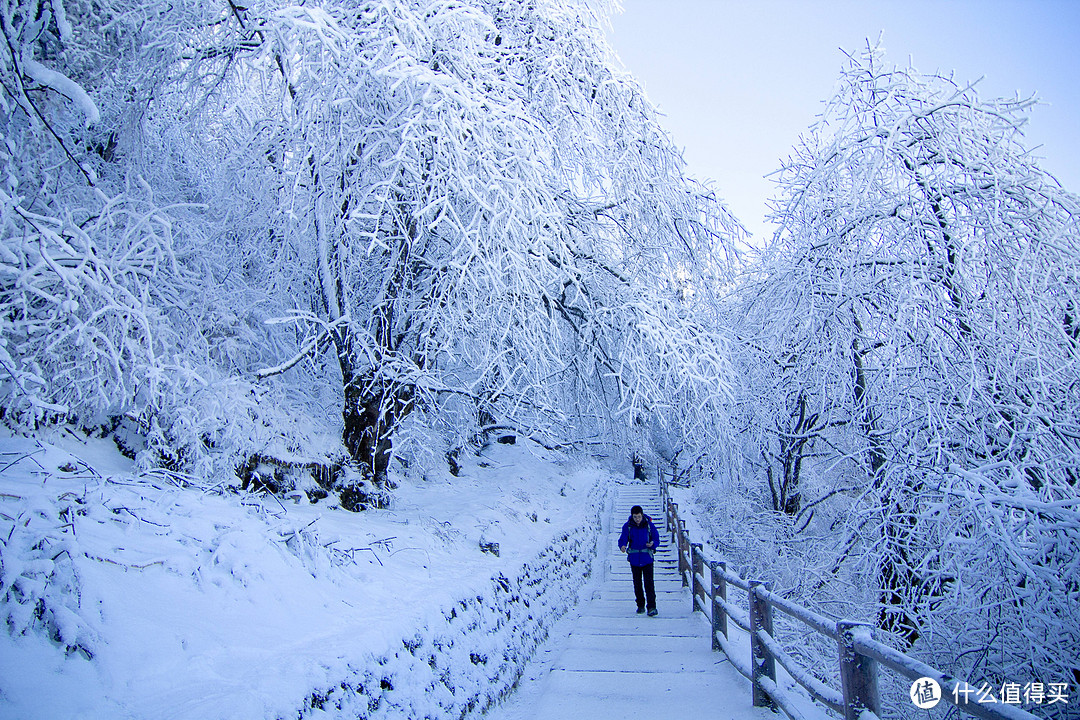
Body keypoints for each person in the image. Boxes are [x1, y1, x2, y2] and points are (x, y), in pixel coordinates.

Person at [618, 505, 660, 616]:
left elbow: (656, 538)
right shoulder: (627, 526)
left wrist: (653, 544)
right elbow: (623, 538)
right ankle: (640, 605)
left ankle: (651, 607)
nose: (637, 519)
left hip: (647, 558)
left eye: (639, 517)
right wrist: (622, 545)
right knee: (637, 584)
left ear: (642, 515)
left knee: (649, 583)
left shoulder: (649, 525)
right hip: (634, 559)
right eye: (635, 517)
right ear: (632, 516)